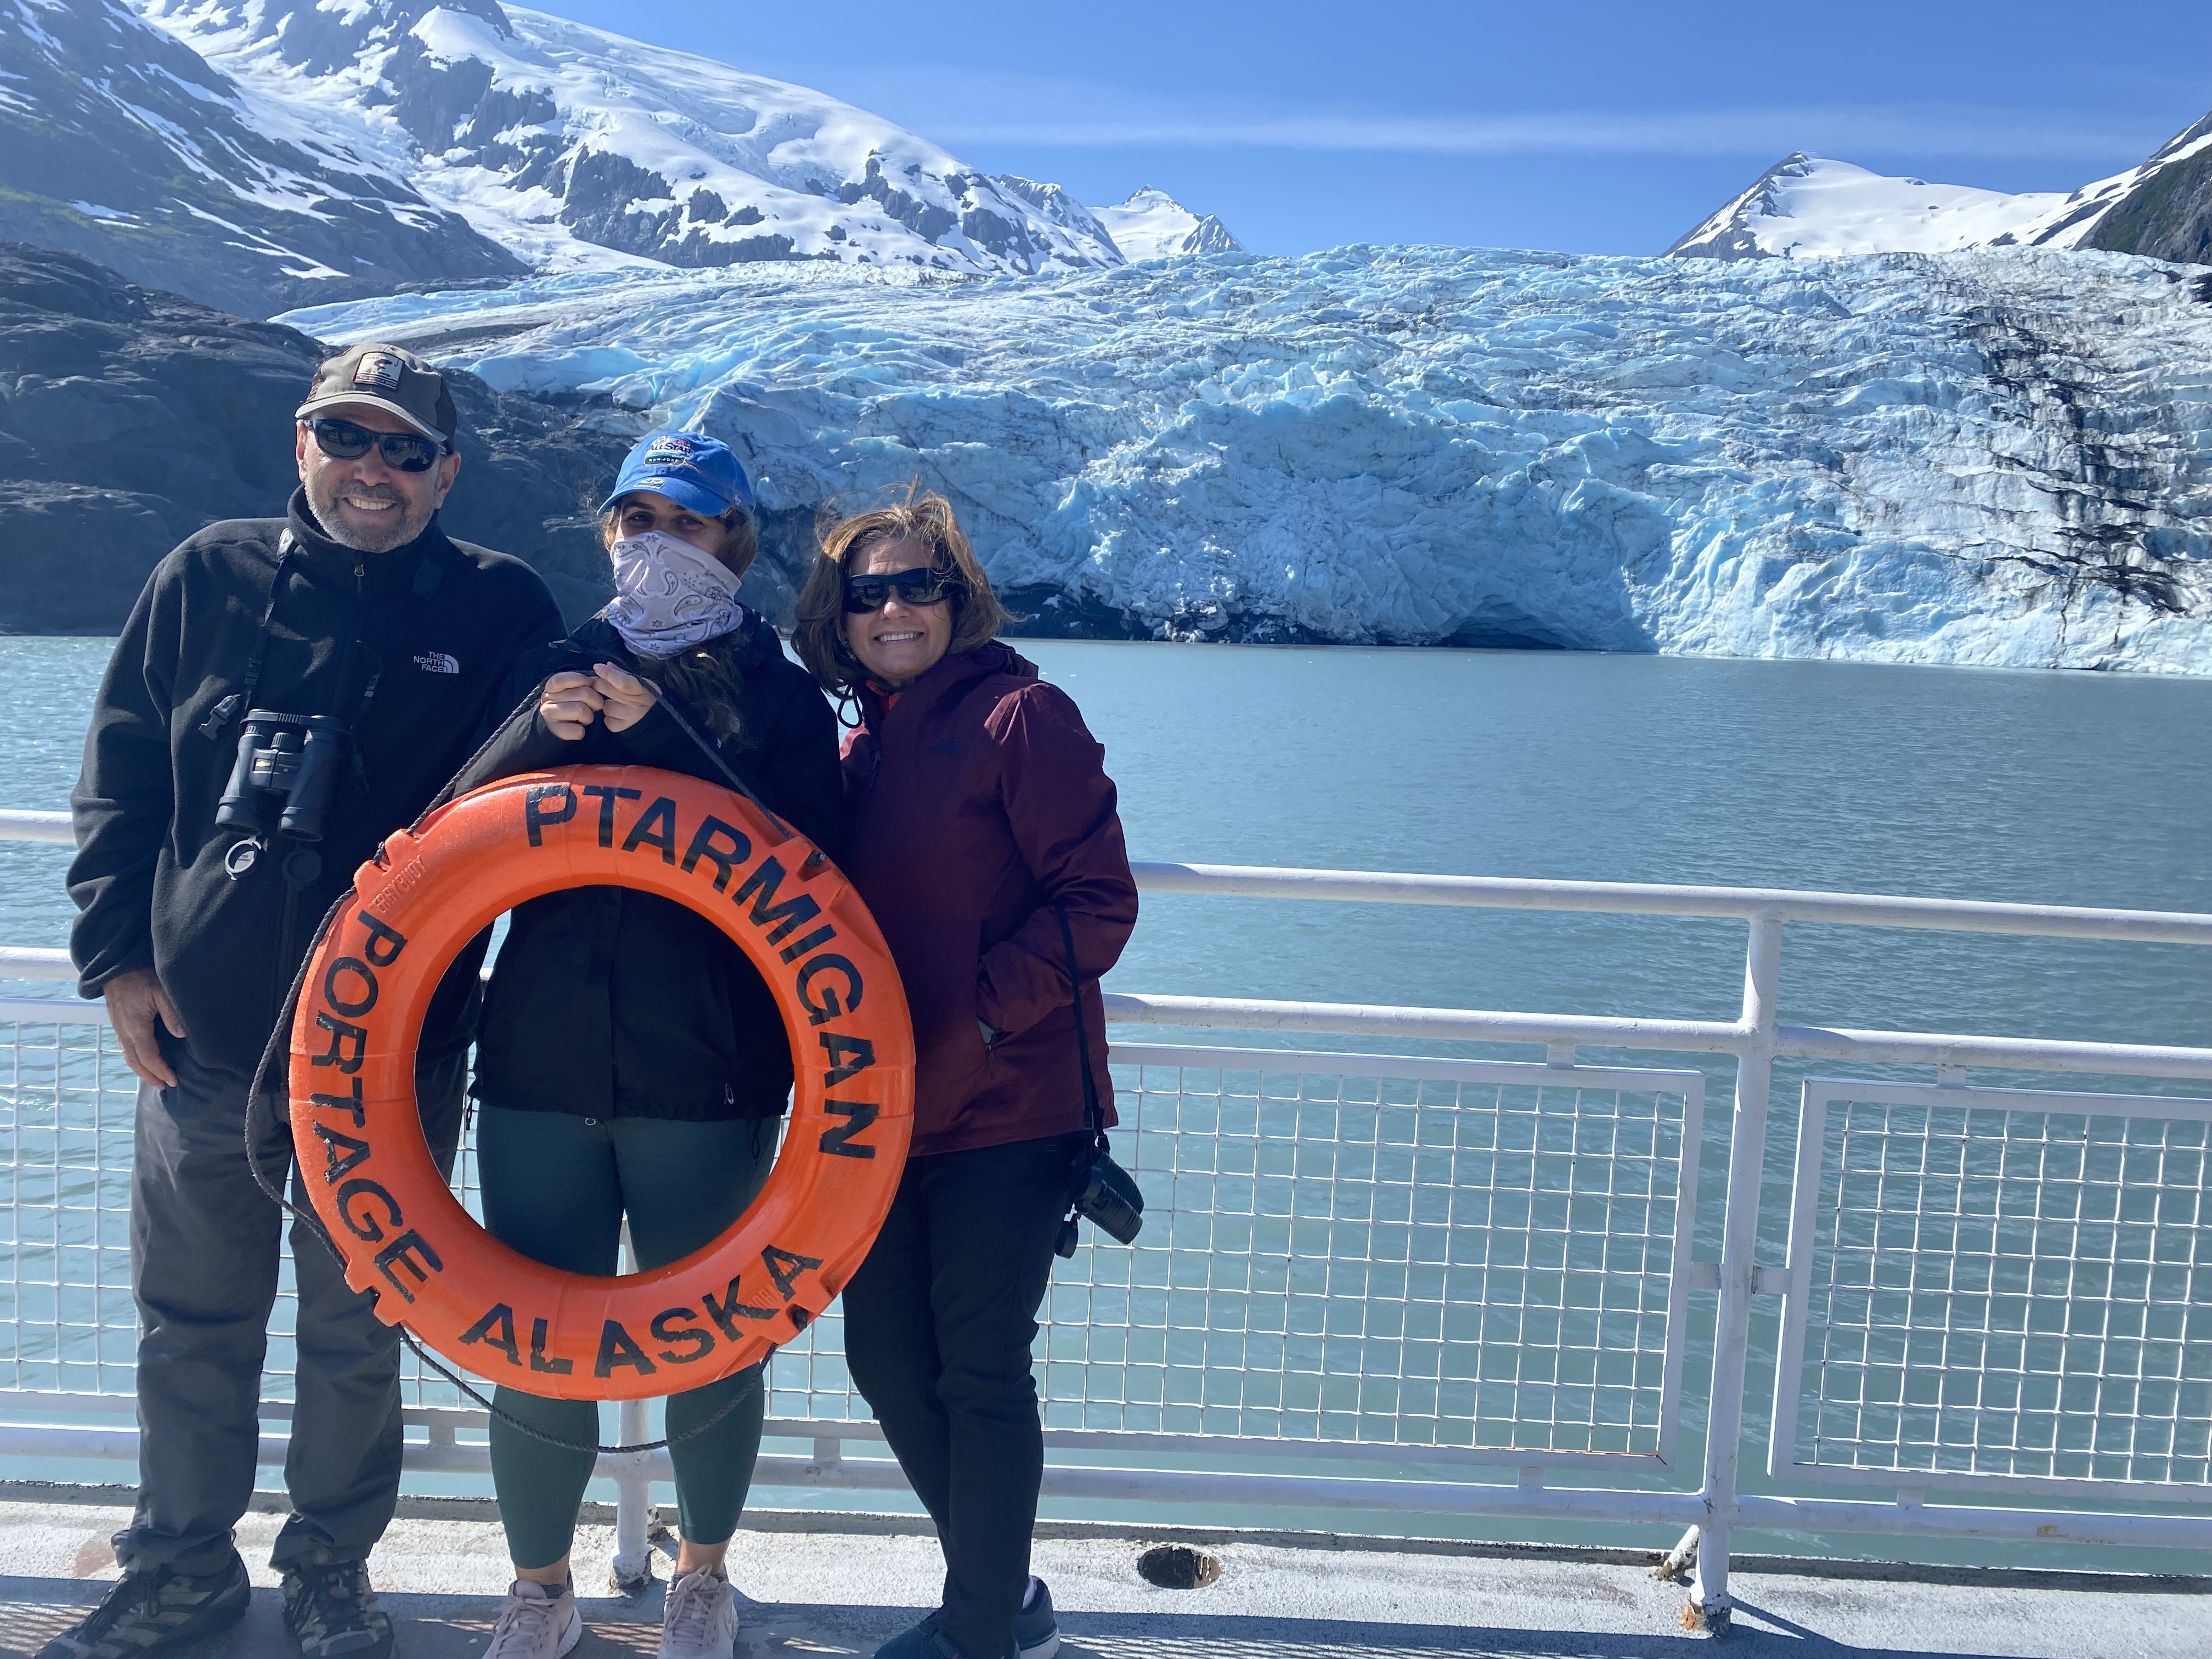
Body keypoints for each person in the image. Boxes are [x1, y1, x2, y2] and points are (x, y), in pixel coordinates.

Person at [54, 345, 566, 1659]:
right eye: (350, 437)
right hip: (203, 1039)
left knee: (357, 1330)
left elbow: (566, 787)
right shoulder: (202, 577)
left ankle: (331, 1569)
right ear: (303, 445)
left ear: (447, 471)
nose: (374, 471)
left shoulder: (501, 607)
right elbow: (120, 778)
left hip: (392, 1062)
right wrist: (117, 958)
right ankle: (180, 1567)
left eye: (406, 449)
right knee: (193, 1325)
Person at [449, 432, 843, 1659]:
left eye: (683, 518)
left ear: (735, 538)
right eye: (632, 518)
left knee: (716, 1343)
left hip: (703, 1074)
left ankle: (705, 1576)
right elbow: (453, 826)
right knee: (534, 1342)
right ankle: (539, 1589)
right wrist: (539, 728)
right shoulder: (557, 663)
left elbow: (808, 857)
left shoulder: (779, 695)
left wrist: (663, 738)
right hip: (539, 1067)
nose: (652, 542)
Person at [791, 493, 1139, 1659]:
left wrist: (984, 1020)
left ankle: (980, 1624)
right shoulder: (858, 746)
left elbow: (1099, 903)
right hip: (886, 1111)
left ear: (959, 598)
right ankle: (1003, 1589)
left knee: (980, 1365)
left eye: (917, 585)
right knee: (885, 1356)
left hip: (1009, 1103)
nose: (893, 607)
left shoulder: (1020, 717)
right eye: (868, 591)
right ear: (837, 618)